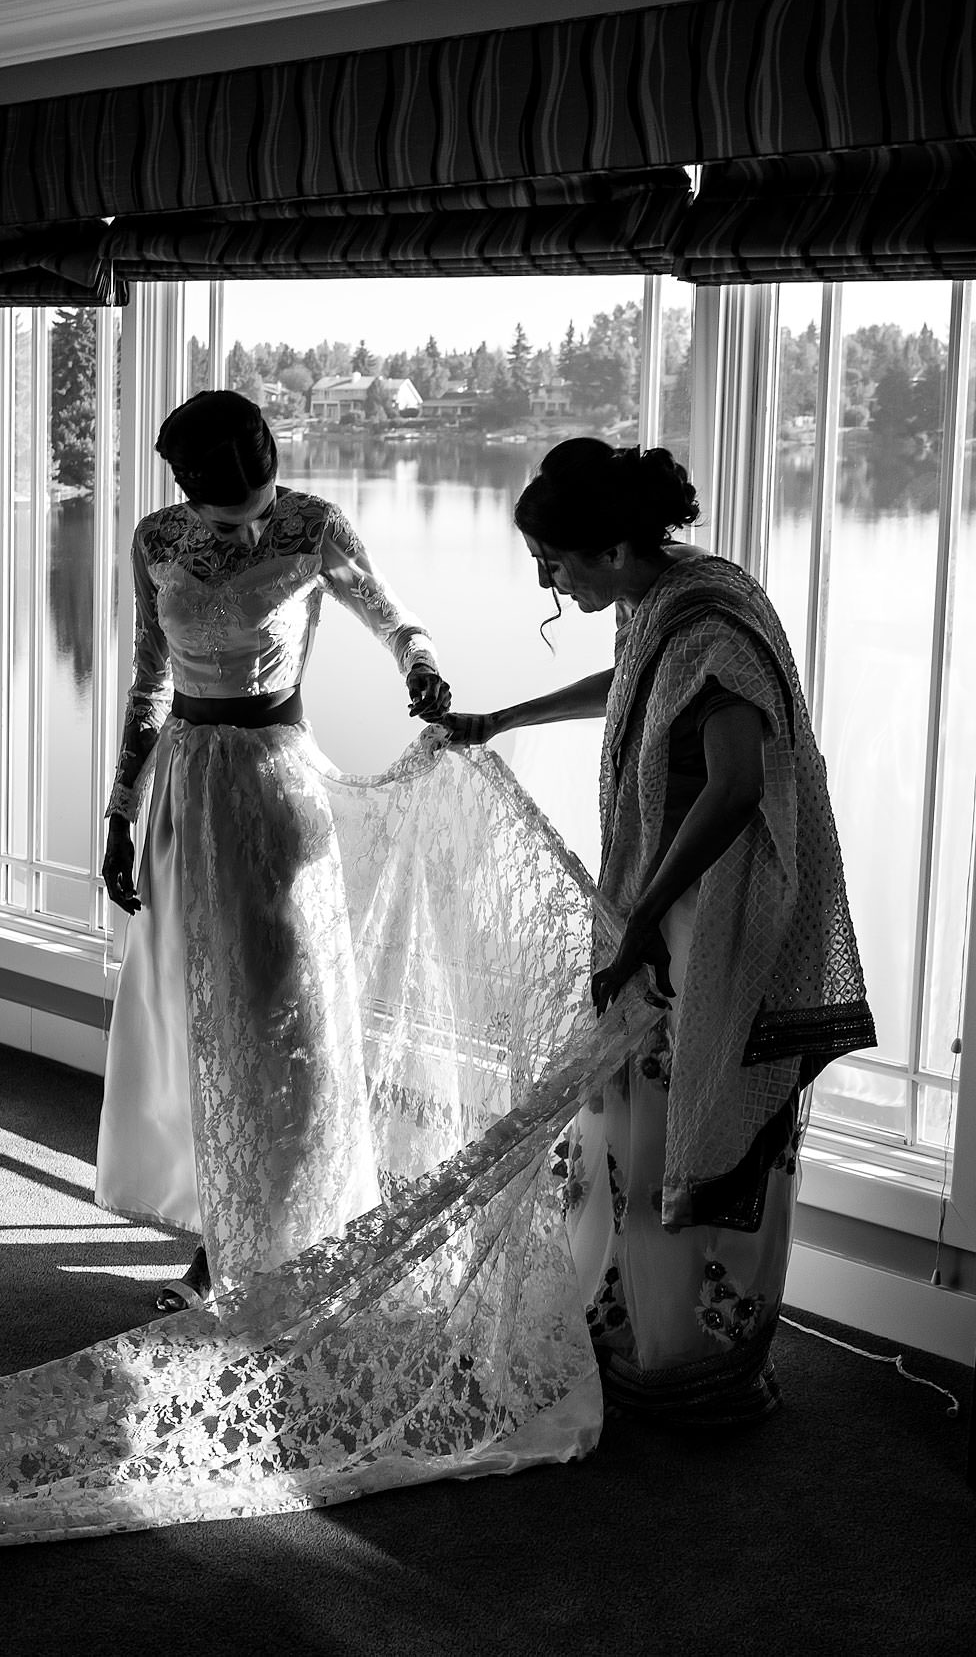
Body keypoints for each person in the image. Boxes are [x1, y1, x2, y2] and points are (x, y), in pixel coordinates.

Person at [445, 437, 873, 1424]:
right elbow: (635, 687)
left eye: (553, 560)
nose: (547, 578)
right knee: (630, 1137)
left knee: (695, 1134)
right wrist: (503, 717)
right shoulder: (661, 600)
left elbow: (736, 783)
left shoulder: (712, 625)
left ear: (605, 546)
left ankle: (694, 1364)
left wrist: (640, 918)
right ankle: (630, 1323)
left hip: (714, 923)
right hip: (659, 909)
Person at [98, 390, 452, 1308]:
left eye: (255, 487)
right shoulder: (155, 541)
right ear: (186, 482)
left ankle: (262, 1240)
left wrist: (422, 669)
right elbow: (150, 678)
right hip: (185, 788)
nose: (247, 508)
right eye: (225, 494)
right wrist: (119, 808)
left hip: (271, 792)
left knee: (275, 1015)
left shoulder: (313, 526)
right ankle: (220, 1232)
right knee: (200, 1022)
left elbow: (396, 619)